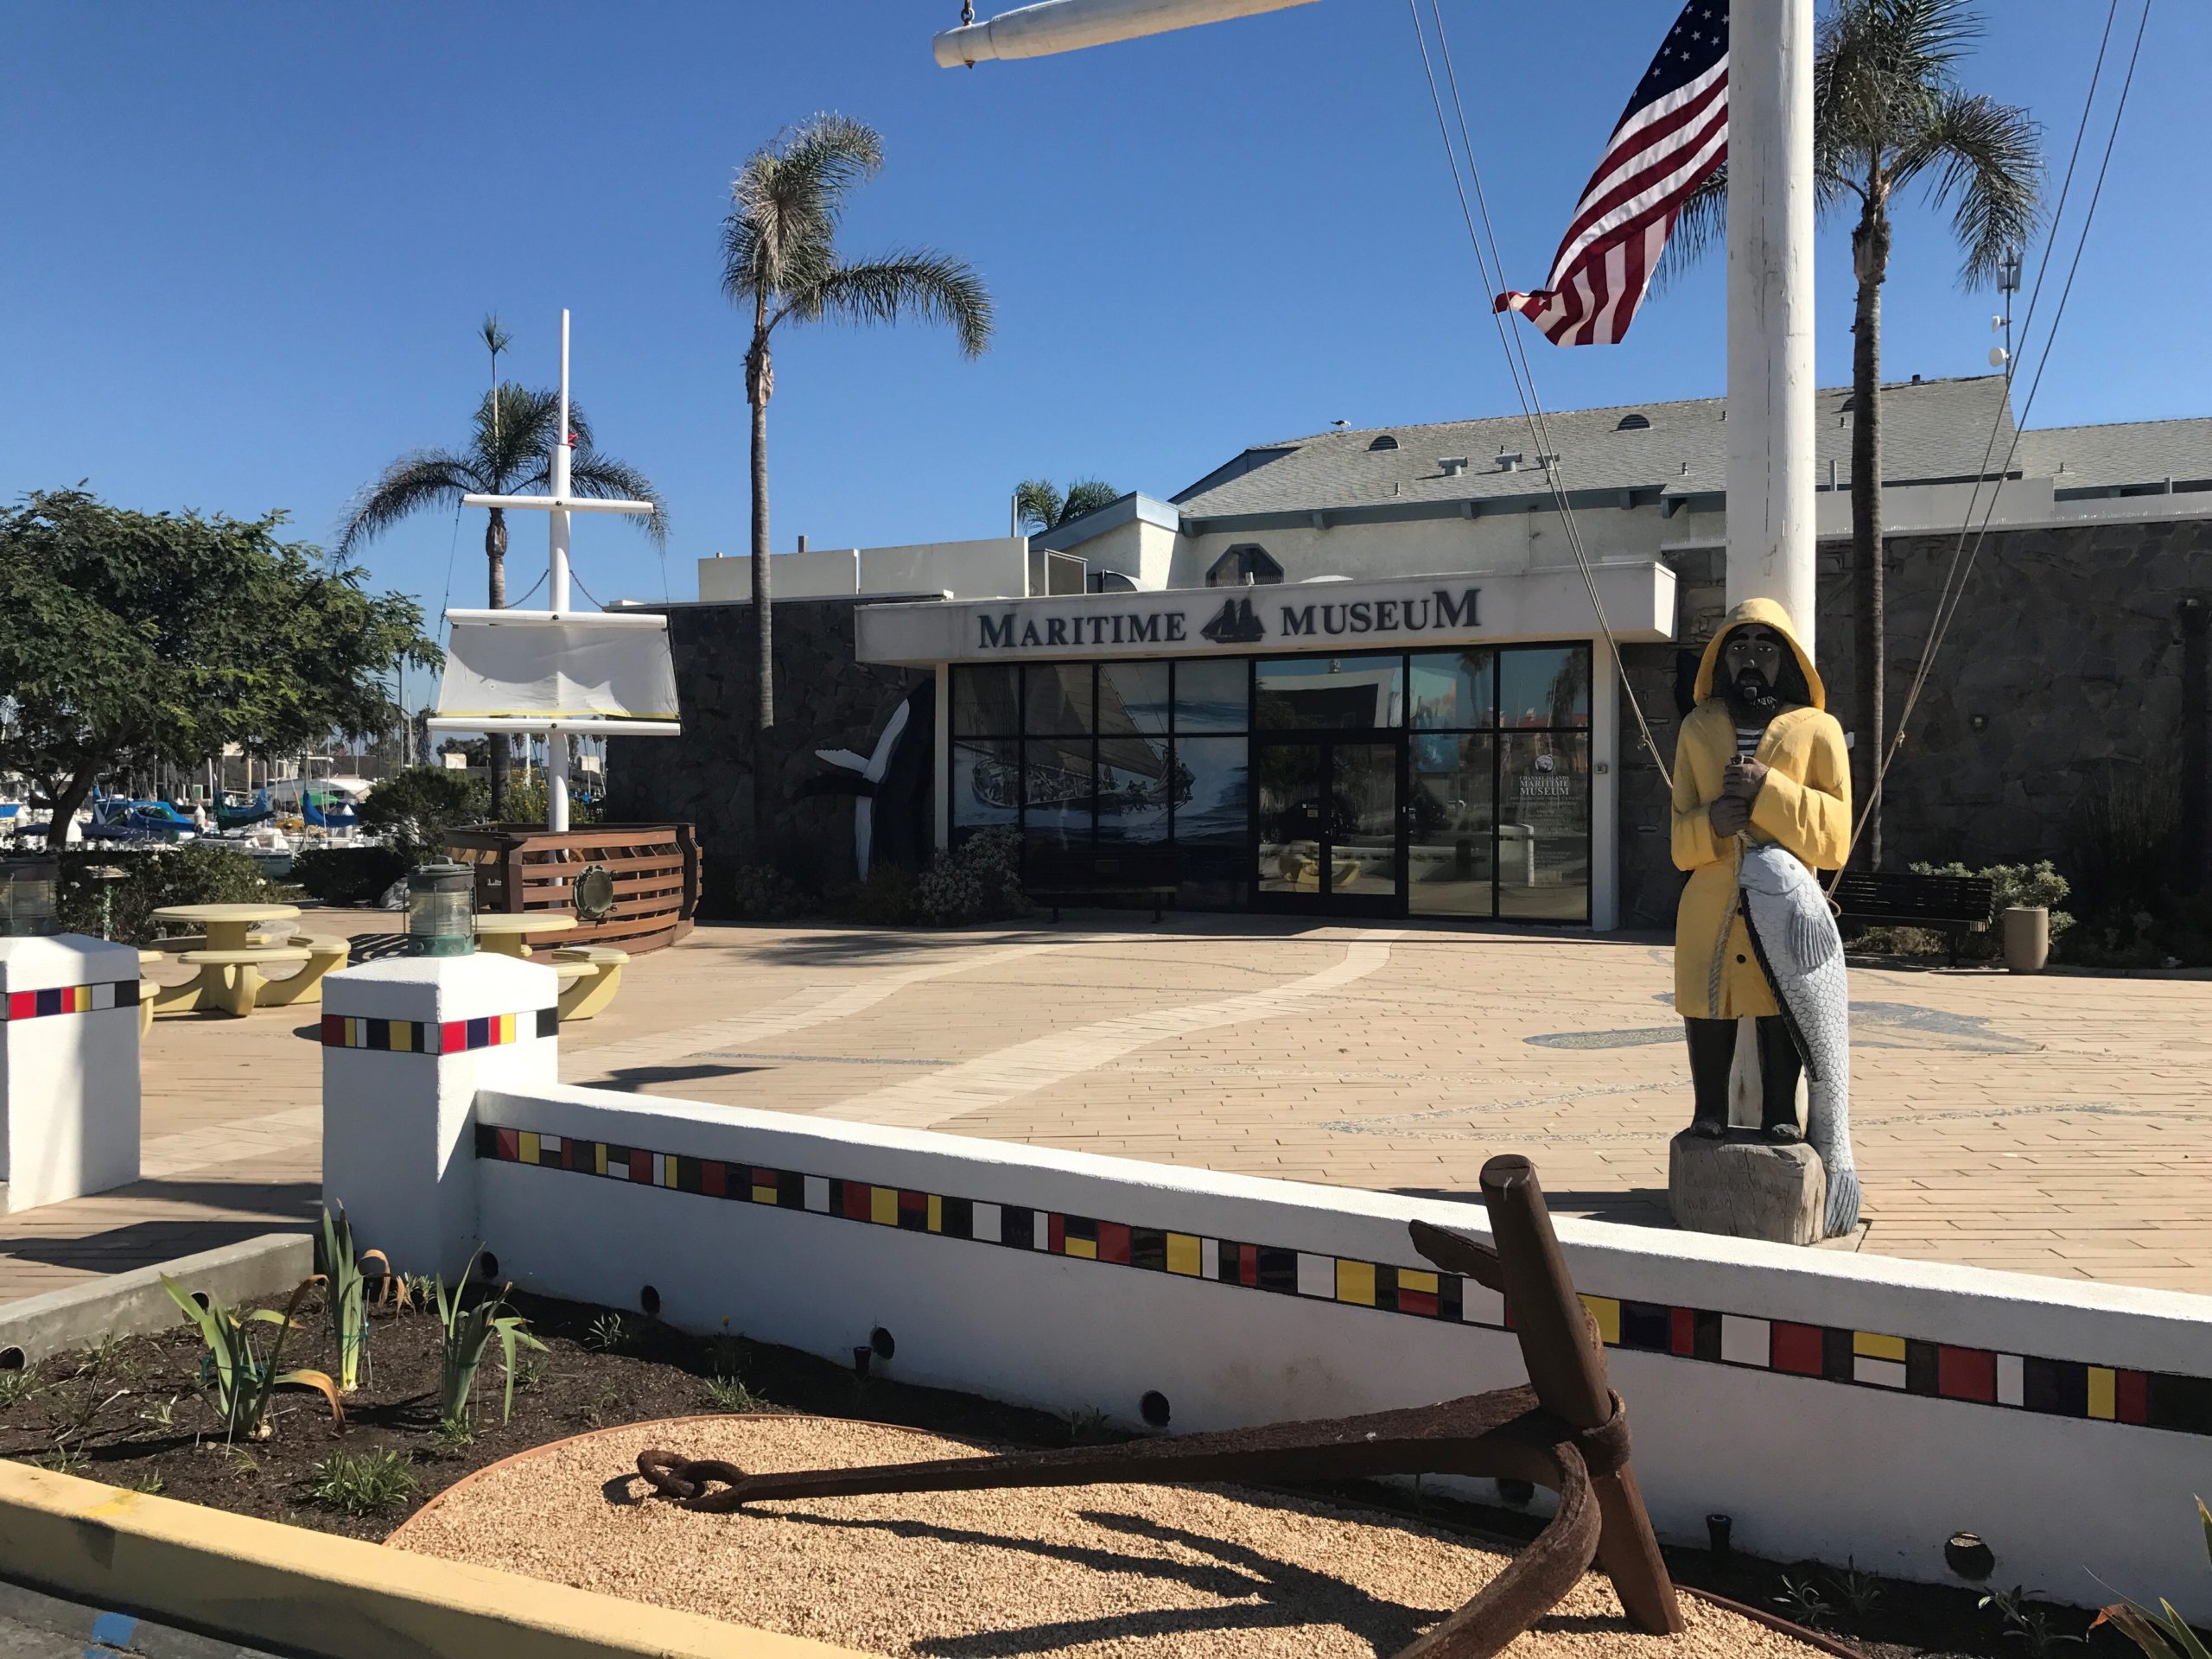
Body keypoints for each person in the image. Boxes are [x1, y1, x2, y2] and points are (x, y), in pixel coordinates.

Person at [1670, 598, 1850, 1140]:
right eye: (1739, 648)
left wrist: (1767, 792)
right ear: (1720, 661)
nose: (1751, 659)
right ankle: (1708, 1110)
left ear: (1788, 659)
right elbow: (1679, 838)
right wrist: (1711, 824)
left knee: (1782, 1000)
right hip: (1710, 899)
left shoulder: (1818, 729)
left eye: (1766, 648)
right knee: (1707, 1003)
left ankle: (1779, 1110)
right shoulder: (1696, 729)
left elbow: (1836, 838)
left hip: (1786, 900)